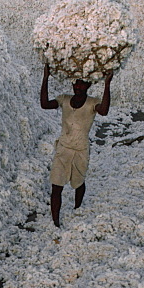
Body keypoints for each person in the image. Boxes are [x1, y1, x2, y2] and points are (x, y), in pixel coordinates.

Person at [40, 63, 112, 227]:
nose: (78, 87)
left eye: (82, 84)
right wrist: (46, 77)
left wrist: (107, 85)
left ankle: (77, 207)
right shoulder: (64, 99)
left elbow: (104, 110)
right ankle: (55, 221)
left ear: (88, 85)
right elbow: (44, 104)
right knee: (56, 185)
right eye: (76, 83)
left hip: (81, 149)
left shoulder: (92, 103)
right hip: (63, 148)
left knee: (79, 181)